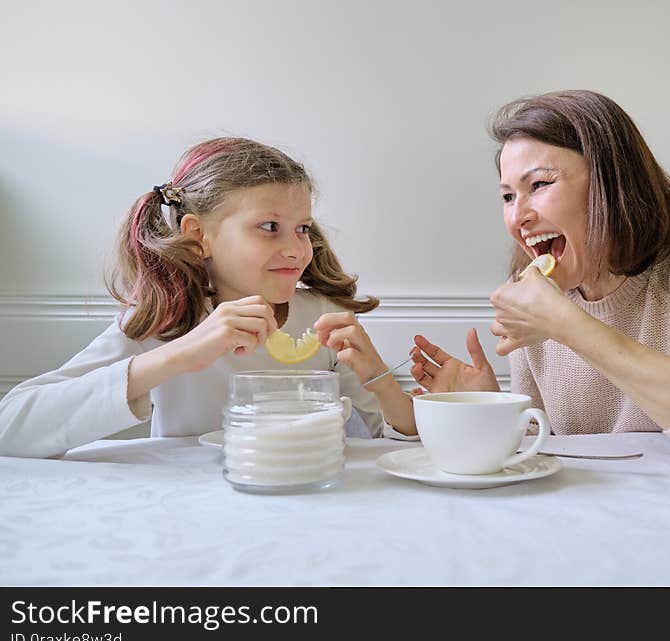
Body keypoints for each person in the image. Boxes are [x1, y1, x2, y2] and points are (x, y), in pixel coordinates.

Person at [409, 90, 670, 473]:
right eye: (508, 196)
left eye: (539, 185)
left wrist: (567, 326)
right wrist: (488, 409)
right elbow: (547, 456)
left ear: (611, 183)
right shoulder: (532, 292)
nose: (517, 217)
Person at [0, 137, 416, 458]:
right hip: (187, 510)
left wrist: (378, 376)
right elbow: (12, 429)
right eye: (269, 226)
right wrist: (179, 353)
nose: (296, 249)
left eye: (303, 228)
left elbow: (385, 442)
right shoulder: (166, 321)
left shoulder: (324, 316)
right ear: (199, 236)